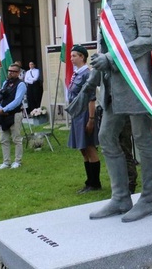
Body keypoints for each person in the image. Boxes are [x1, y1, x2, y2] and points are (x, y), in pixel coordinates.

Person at [84, 0, 152, 223]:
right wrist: (95, 74)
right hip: (112, 83)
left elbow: (149, 39)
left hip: (135, 80)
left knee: (142, 138)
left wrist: (112, 59)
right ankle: (120, 197)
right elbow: (104, 42)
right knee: (106, 137)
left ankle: (148, 199)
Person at [65, 45, 101, 193]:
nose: (71, 58)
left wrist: (91, 119)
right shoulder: (77, 74)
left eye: (74, 56)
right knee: (82, 148)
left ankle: (95, 183)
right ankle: (89, 181)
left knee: (89, 146)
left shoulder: (87, 73)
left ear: (82, 57)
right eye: (71, 55)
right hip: (77, 114)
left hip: (86, 113)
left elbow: (91, 98)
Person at [0, 63, 26, 170]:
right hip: (3, 114)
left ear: (18, 73)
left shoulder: (21, 84)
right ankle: (6, 161)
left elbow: (17, 101)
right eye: (9, 71)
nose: (10, 73)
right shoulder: (5, 83)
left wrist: (4, 109)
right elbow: (0, 96)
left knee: (16, 139)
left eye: (13, 71)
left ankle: (17, 161)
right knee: (4, 139)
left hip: (14, 114)